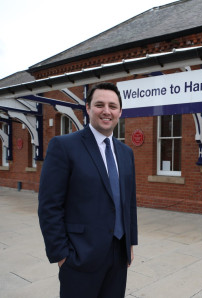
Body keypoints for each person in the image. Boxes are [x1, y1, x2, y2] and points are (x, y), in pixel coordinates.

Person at [38, 82, 138, 298]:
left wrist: (130, 243)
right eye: (99, 104)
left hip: (118, 256)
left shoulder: (126, 153)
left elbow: (129, 201)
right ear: (88, 108)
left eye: (112, 106)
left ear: (120, 111)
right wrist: (62, 255)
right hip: (80, 257)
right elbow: (49, 206)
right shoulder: (64, 146)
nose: (106, 111)